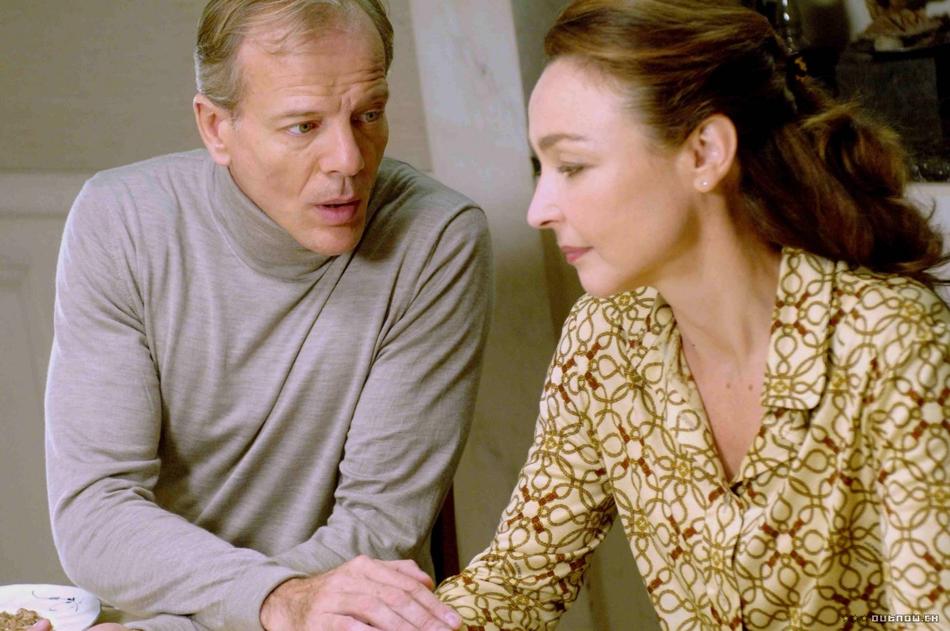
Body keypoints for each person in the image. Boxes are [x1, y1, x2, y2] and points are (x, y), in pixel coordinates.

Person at [435, 0, 950, 629]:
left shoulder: (890, 341)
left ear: (705, 153)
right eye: (543, 169)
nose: (538, 210)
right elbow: (519, 580)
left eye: (572, 166)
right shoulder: (604, 342)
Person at [42, 1, 492, 630]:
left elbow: (378, 526)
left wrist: (271, 606)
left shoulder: (435, 237)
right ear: (216, 128)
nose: (349, 159)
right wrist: (275, 601)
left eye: (368, 114)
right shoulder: (120, 223)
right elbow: (96, 512)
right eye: (304, 126)